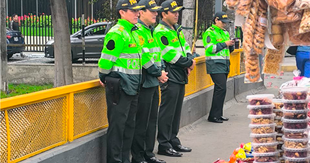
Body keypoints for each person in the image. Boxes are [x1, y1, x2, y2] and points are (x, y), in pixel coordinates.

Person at [97, 0, 145, 162]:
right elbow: (106, 60)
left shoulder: (133, 32)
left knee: (129, 127)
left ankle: (124, 159)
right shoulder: (117, 33)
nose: (137, 13)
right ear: (122, 12)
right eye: (133, 11)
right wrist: (103, 77)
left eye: (137, 10)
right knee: (118, 128)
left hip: (132, 86)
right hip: (119, 87)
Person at [154, 0, 196, 157]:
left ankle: (173, 140)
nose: (177, 14)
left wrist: (190, 59)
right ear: (164, 14)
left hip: (180, 75)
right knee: (167, 111)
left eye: (178, 11)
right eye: (174, 12)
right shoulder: (160, 31)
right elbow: (170, 55)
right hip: (170, 74)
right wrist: (189, 62)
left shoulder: (176, 29)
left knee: (176, 110)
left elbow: (185, 47)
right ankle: (164, 144)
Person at [131, 0, 168, 163]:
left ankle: (149, 153)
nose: (155, 14)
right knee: (142, 122)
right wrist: (158, 72)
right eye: (152, 11)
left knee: (152, 121)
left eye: (156, 11)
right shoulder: (138, 30)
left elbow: (157, 54)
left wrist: (162, 70)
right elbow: (144, 57)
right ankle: (138, 157)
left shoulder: (150, 30)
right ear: (141, 12)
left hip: (154, 82)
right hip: (144, 82)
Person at [202, 12, 235, 123]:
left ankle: (218, 114)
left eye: (226, 23)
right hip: (215, 64)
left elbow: (228, 50)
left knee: (222, 90)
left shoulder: (225, 33)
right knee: (221, 88)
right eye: (223, 22)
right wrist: (225, 44)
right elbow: (210, 48)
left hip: (224, 64)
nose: (224, 25)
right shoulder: (209, 32)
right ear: (216, 20)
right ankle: (213, 116)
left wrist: (231, 45)